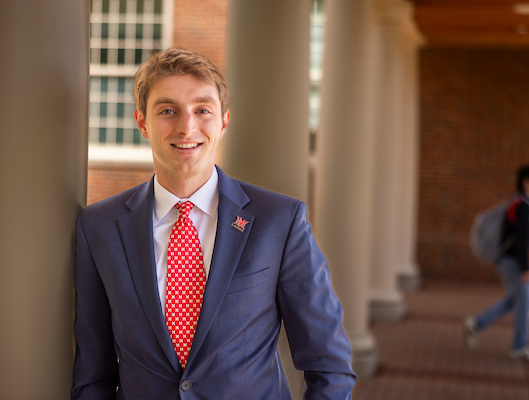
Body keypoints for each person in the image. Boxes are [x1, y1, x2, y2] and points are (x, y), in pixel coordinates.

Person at [70, 47, 356, 399]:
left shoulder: (279, 222)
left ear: (223, 121)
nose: (186, 126)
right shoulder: (98, 228)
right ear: (142, 122)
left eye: (202, 110)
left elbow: (330, 364)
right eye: (167, 110)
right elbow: (92, 375)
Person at [463, 165, 529, 362]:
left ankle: (475, 324)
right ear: (527, 182)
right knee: (524, 303)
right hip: (512, 262)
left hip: (507, 260)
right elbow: (522, 238)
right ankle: (519, 347)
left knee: (514, 300)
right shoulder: (523, 205)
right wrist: (525, 268)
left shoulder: (516, 202)